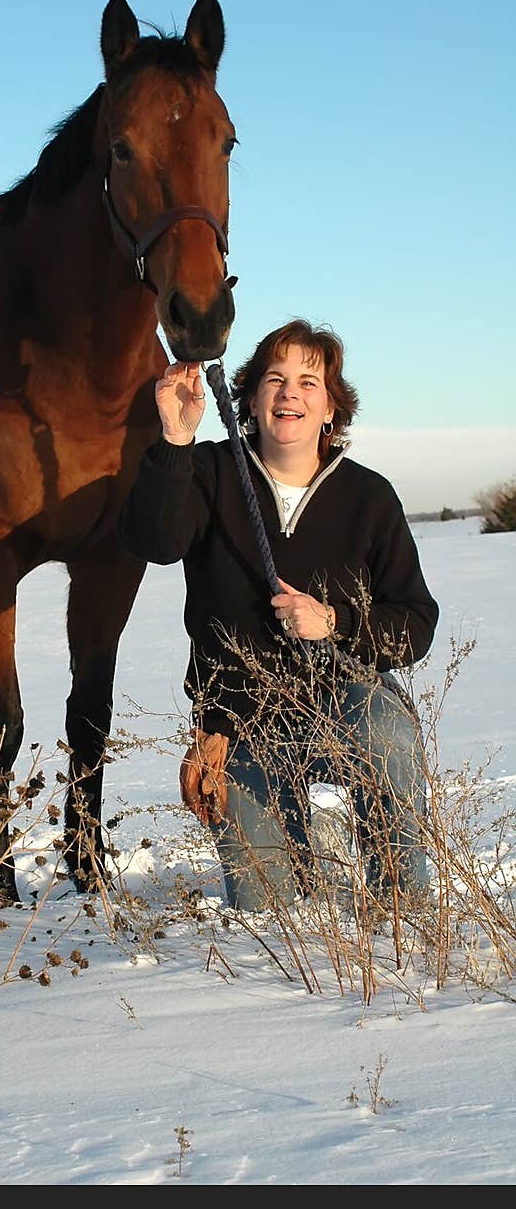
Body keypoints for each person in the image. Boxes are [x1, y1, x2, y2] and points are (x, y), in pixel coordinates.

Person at [117, 319, 439, 912]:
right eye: (275, 379)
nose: (290, 392)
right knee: (270, 909)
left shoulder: (368, 497)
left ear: (329, 410)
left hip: (344, 701)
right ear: (251, 398)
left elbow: (416, 621)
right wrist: (174, 440)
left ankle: (403, 902)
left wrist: (335, 623)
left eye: (308, 382)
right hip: (244, 719)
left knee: (387, 734)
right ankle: (296, 845)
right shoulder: (209, 473)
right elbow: (153, 541)